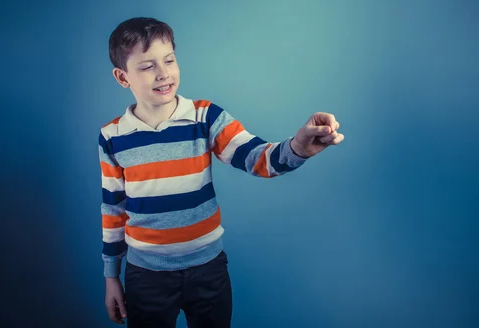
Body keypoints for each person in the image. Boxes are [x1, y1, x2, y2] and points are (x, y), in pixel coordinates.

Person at [99, 17, 344, 327]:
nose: (163, 74)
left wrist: (297, 147)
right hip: (146, 277)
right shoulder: (112, 136)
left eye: (169, 60)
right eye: (147, 67)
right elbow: (113, 209)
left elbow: (256, 157)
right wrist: (111, 277)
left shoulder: (206, 117)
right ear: (123, 77)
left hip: (208, 270)